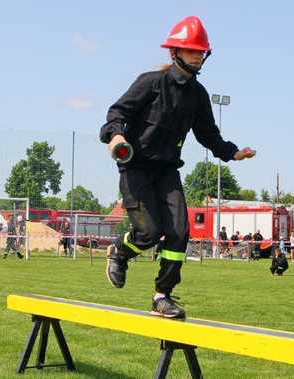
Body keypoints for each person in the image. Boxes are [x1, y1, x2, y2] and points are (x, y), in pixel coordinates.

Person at [100, 16, 255, 319]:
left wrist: (233, 153)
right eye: (191, 50)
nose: (197, 55)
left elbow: (208, 135)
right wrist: (116, 135)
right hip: (136, 168)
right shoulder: (151, 83)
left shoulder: (198, 95)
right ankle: (119, 251)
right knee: (149, 232)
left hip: (167, 171)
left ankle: (162, 295)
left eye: (201, 51)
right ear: (175, 52)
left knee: (179, 232)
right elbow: (116, 112)